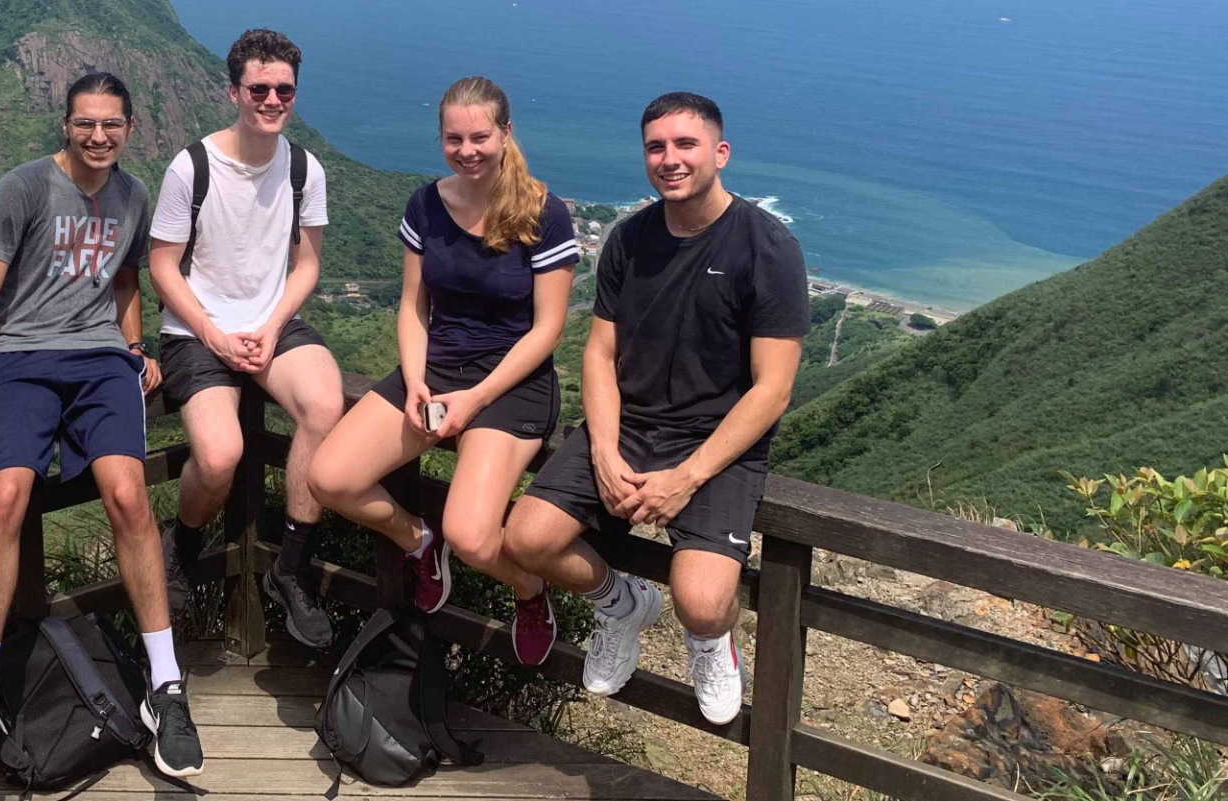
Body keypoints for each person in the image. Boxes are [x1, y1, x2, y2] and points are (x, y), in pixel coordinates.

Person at [0, 73, 203, 780]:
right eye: (86, 123)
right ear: (65, 125)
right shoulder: (22, 188)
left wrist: (136, 347)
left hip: (101, 362)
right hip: (19, 358)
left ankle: (165, 686)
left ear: (130, 128)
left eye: (111, 124)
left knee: (129, 495)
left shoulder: (132, 195)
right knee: (7, 495)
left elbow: (123, 280)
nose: (98, 136)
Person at [500, 92, 808, 725]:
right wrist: (607, 453)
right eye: (656, 147)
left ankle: (709, 642)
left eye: (685, 144)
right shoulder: (631, 238)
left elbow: (772, 389)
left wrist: (688, 476)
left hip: (716, 442)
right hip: (629, 425)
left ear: (719, 153)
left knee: (701, 600)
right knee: (526, 539)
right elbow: (599, 353)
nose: (669, 159)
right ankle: (622, 605)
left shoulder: (767, 248)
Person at [308, 77, 578, 665]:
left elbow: (547, 330)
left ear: (506, 133)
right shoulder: (425, 204)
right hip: (435, 369)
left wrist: (475, 398)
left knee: (476, 535)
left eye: (480, 136)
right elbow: (413, 305)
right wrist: (414, 381)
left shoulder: (543, 213)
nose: (467, 149)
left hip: (512, 382)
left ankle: (530, 591)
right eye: (454, 138)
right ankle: (417, 540)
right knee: (329, 478)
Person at [149, 29, 343, 649]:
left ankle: (289, 567)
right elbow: (161, 263)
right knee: (220, 455)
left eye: (283, 88)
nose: (272, 98)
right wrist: (213, 332)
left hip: (269, 323)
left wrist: (267, 325)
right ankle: (179, 542)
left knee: (324, 407)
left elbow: (307, 264)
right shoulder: (193, 166)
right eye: (258, 88)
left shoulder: (304, 168)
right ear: (233, 90)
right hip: (196, 330)